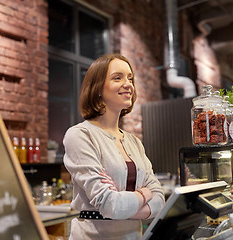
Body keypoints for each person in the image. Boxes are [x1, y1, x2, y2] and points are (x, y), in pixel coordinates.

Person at [63, 53, 165, 239]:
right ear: (98, 88)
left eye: (130, 78)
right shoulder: (80, 135)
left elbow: (159, 198)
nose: (128, 84)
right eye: (117, 78)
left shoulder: (134, 142)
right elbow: (111, 204)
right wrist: (144, 194)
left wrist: (123, 208)